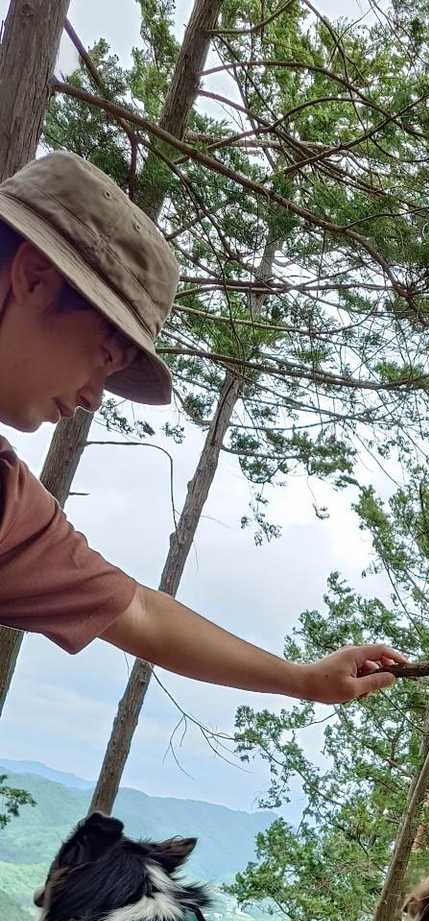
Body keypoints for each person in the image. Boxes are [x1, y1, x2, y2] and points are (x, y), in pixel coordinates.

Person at [0, 151, 403, 703]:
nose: (93, 397)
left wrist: (301, 679)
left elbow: (141, 612)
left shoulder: (8, 506)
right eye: (102, 358)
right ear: (34, 278)